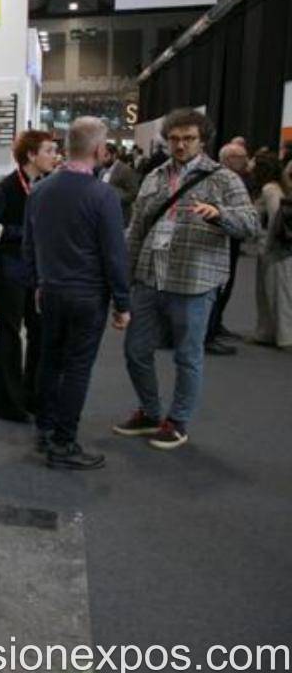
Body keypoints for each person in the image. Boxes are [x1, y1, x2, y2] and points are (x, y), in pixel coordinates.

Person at [114, 109, 260, 450]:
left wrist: (220, 215)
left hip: (194, 281)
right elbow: (136, 231)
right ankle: (150, 412)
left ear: (202, 140)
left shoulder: (223, 179)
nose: (180, 145)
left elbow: (251, 225)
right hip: (150, 277)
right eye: (175, 139)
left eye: (188, 139)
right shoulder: (154, 176)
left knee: (187, 356)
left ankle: (177, 420)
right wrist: (125, 280)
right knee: (136, 351)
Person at [23, 117, 131, 469]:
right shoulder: (103, 196)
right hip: (87, 295)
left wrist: (38, 283)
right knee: (77, 368)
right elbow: (114, 254)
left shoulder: (39, 190)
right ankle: (63, 443)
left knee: (49, 361)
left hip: (51, 291)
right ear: (99, 150)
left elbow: (30, 246)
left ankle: (45, 429)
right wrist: (123, 303)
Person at [0, 131, 58, 423]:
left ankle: (33, 396)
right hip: (11, 271)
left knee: (39, 334)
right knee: (10, 336)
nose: (54, 156)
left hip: (40, 274)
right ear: (31, 155)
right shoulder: (8, 188)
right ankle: (9, 404)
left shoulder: (49, 185)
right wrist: (25, 233)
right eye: (49, 151)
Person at [203, 141, 251, 353]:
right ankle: (208, 333)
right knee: (217, 286)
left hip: (231, 237)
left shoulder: (233, 179)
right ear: (230, 159)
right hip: (220, 239)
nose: (246, 161)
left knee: (226, 286)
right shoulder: (221, 180)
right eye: (242, 157)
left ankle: (215, 326)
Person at [253, 154, 292, 350]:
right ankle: (267, 332)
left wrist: (268, 246)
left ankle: (285, 336)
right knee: (268, 291)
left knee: (278, 293)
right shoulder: (278, 187)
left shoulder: (270, 189)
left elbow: (275, 220)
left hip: (273, 249)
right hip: (273, 247)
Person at [99, 142, 140, 222]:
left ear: (114, 155)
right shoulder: (102, 172)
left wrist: (114, 196)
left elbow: (134, 193)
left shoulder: (125, 170)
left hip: (120, 216)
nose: (103, 159)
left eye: (106, 155)